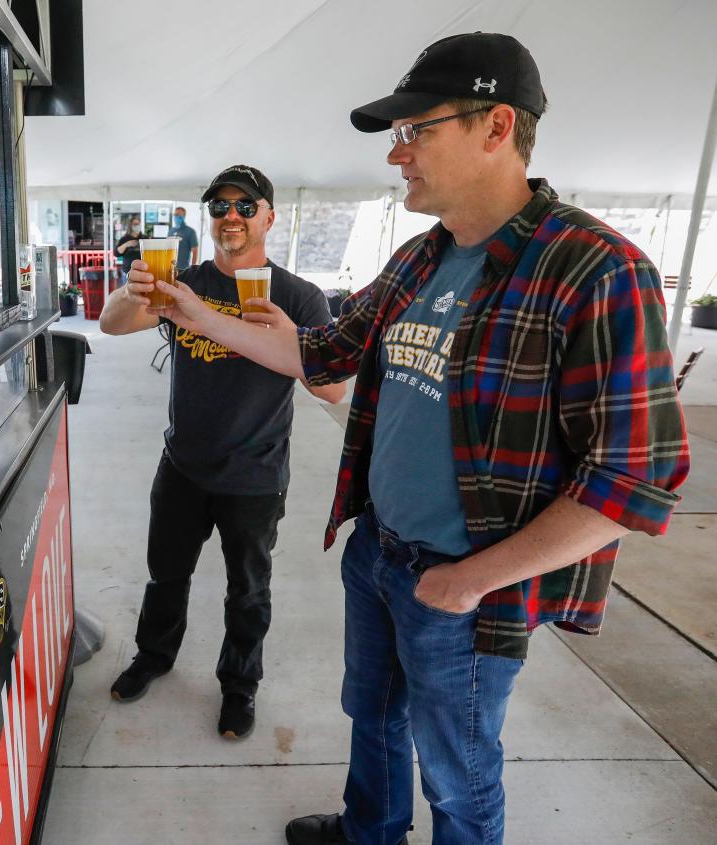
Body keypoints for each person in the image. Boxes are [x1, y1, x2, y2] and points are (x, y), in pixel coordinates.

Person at [133, 34, 690, 845]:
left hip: (467, 587)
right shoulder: (420, 260)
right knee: (374, 717)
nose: (397, 155)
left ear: (497, 126)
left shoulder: (594, 269)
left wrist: (471, 581)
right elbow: (319, 354)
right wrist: (191, 309)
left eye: (415, 132)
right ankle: (371, 829)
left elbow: (635, 481)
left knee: (458, 770)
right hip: (379, 552)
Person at [102, 165, 345, 740]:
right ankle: (154, 658)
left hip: (256, 475)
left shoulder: (298, 296)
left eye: (244, 205)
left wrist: (291, 337)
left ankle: (240, 686)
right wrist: (132, 288)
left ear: (268, 216)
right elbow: (113, 326)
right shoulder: (183, 282)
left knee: (249, 590)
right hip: (182, 464)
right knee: (166, 575)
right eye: (219, 207)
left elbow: (334, 388)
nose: (230, 216)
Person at [168, 206, 200, 271]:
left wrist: (192, 269)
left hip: (183, 269)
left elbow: (195, 252)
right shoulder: (170, 231)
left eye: (178, 215)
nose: (176, 216)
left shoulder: (190, 231)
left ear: (184, 216)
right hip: (170, 268)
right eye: (175, 215)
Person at [114, 215, 144, 281]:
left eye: (139, 224)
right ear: (130, 226)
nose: (137, 226)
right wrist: (126, 244)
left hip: (143, 272)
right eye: (135, 224)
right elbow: (116, 253)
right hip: (128, 272)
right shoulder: (125, 239)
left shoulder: (144, 238)